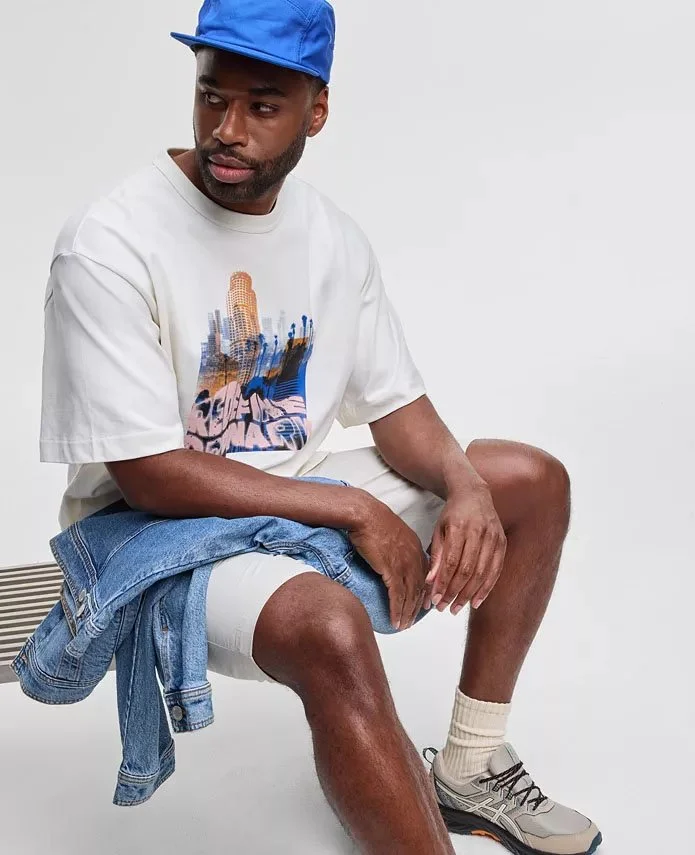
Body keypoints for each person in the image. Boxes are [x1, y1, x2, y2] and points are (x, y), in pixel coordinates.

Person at [39, 1, 601, 853]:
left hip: (294, 489)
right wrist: (353, 509)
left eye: (261, 106)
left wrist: (465, 485)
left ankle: (471, 766)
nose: (226, 129)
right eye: (211, 96)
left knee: (529, 481)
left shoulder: (332, 238)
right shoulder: (109, 243)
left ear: (317, 109)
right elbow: (149, 473)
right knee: (328, 624)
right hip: (156, 531)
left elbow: (398, 408)